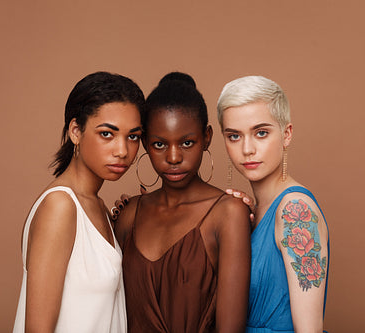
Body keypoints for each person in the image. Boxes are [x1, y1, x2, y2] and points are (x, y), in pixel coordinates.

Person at [114, 72, 251, 333]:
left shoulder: (228, 214)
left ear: (207, 137)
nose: (174, 157)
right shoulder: (129, 213)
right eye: (159, 144)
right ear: (144, 143)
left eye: (187, 143)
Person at [13, 72, 145, 333]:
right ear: (76, 131)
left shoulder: (99, 208)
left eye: (133, 136)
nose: (122, 150)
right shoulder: (60, 206)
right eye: (107, 134)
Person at [217, 75, 329, 332]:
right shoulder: (251, 212)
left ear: (286, 134)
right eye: (234, 136)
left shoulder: (294, 210)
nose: (247, 148)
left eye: (261, 133)